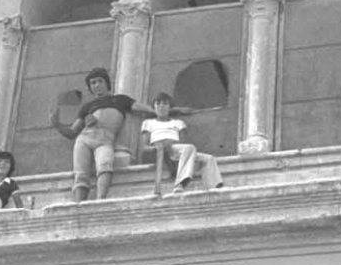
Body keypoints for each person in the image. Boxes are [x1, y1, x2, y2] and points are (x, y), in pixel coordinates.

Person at [58, 67, 173, 202]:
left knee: (105, 165)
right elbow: (72, 132)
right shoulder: (87, 107)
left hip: (105, 139)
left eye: (100, 81)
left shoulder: (120, 100)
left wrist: (161, 111)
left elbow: (143, 108)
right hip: (85, 138)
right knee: (81, 173)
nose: (97, 85)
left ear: (107, 83)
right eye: (93, 83)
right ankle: (77, 204)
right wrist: (57, 124)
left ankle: (100, 200)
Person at [141, 92, 224, 193]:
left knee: (209, 158)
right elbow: (144, 147)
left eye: (165, 104)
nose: (161, 106)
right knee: (190, 148)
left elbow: (182, 141)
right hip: (160, 150)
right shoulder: (148, 123)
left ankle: (214, 187)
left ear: (170, 107)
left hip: (177, 149)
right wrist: (157, 147)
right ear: (153, 107)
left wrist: (170, 143)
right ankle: (180, 183)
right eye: (158, 104)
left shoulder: (178, 123)